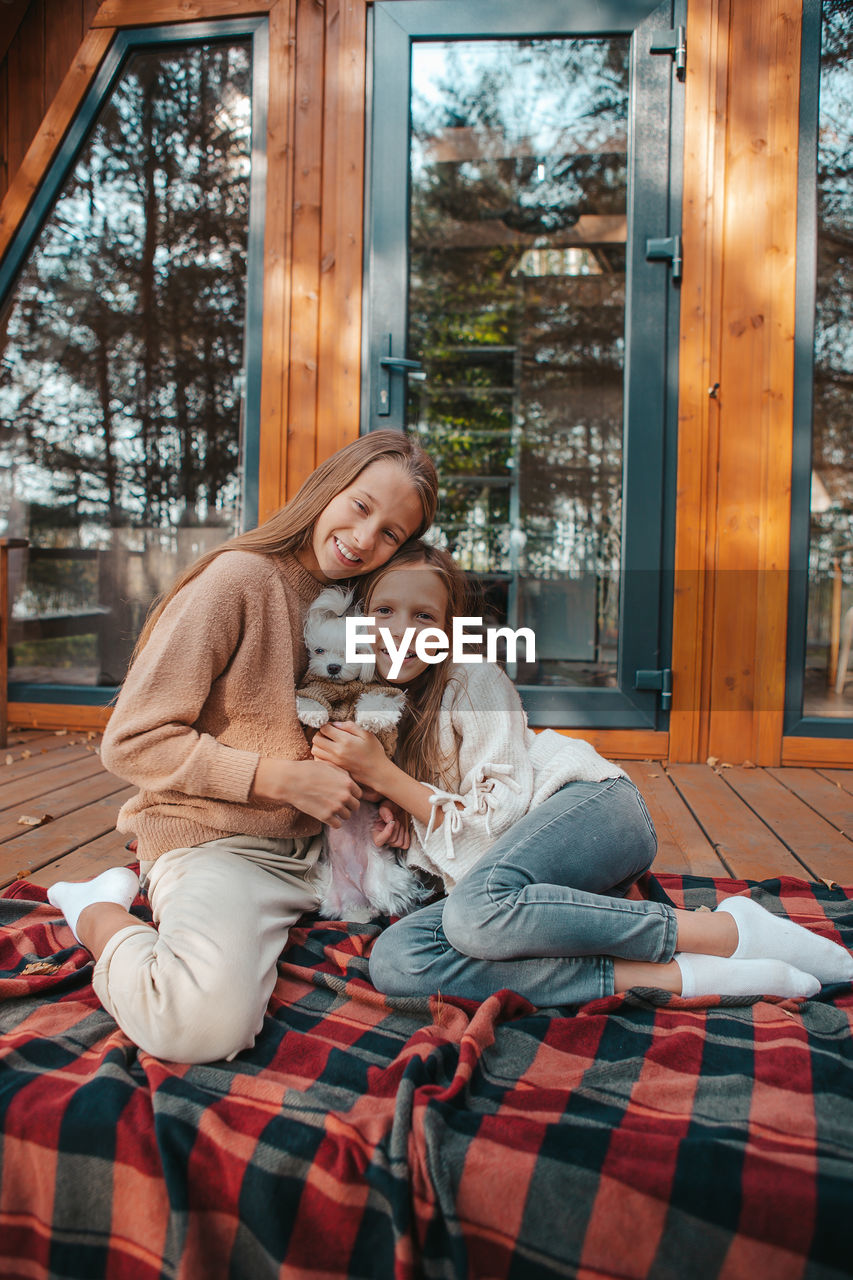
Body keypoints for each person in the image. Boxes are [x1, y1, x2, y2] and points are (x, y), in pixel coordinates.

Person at [311, 541, 853, 1006]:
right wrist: (408, 819)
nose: (401, 632)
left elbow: (494, 830)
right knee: (398, 960)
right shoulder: (377, 706)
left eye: (423, 617)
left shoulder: (470, 679)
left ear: (450, 628)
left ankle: (724, 930)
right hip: (520, 880)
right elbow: (466, 853)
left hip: (594, 808)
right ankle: (676, 976)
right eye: (383, 610)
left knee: (475, 912)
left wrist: (389, 779)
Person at [46, 432, 438, 1063]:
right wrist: (280, 781)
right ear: (327, 488)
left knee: (478, 908)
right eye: (361, 507)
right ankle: (95, 909)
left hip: (326, 851)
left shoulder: (366, 604)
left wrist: (380, 793)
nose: (366, 540)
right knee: (201, 1025)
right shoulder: (238, 579)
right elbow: (131, 740)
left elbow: (358, 719)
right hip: (218, 840)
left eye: (391, 532)